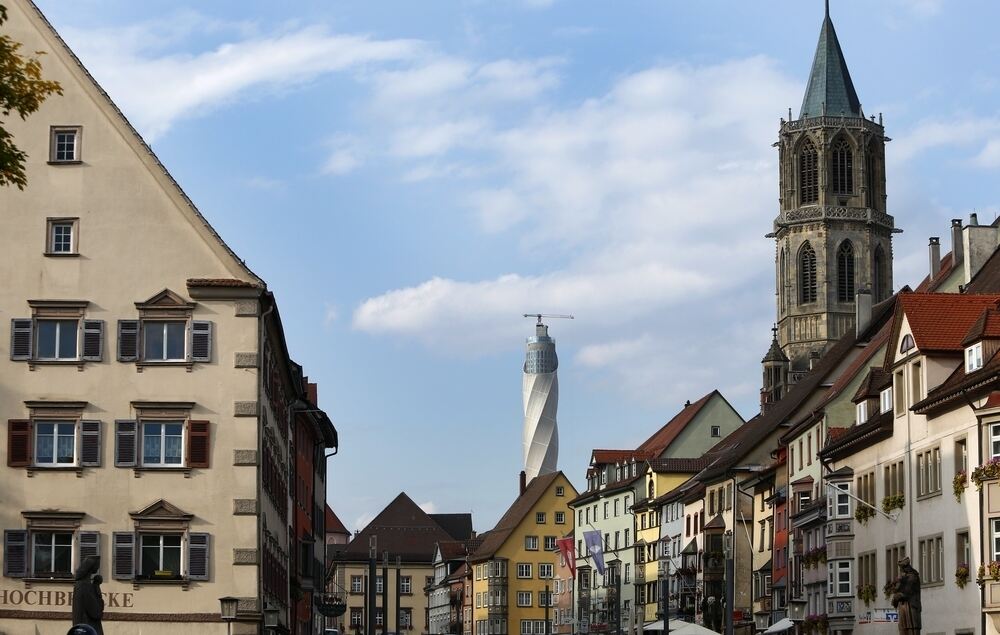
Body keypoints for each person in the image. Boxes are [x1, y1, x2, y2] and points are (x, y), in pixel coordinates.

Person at [71, 556, 104, 635]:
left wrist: (96, 586)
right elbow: (96, 612)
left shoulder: (84, 585)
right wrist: (96, 587)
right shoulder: (84, 586)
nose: (98, 568)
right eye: (97, 565)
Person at [891, 557, 921, 634]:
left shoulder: (913, 576)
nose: (900, 570)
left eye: (901, 568)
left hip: (911, 608)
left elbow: (907, 591)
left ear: (906, 567)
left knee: (912, 630)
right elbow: (897, 591)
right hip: (903, 609)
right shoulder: (902, 577)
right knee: (903, 630)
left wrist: (897, 596)